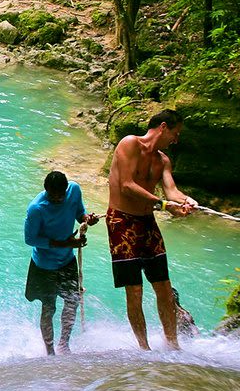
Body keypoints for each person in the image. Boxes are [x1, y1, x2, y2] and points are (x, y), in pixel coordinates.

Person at [106, 109, 197, 351]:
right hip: (121, 222)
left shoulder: (163, 160)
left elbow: (171, 191)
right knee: (134, 290)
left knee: (164, 288)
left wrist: (187, 200)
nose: (176, 140)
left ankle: (172, 345)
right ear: (163, 126)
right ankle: (144, 349)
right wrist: (164, 205)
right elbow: (126, 185)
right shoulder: (129, 144)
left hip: (147, 222)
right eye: (175, 134)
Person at [24, 171, 99, 355]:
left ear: (66, 190)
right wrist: (67, 243)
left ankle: (64, 344)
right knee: (48, 307)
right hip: (44, 266)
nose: (57, 199)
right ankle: (49, 351)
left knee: (72, 301)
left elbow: (79, 213)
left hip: (67, 260)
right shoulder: (36, 208)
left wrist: (87, 219)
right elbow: (30, 239)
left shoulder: (74, 190)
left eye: (60, 195)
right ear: (46, 191)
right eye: (53, 196)